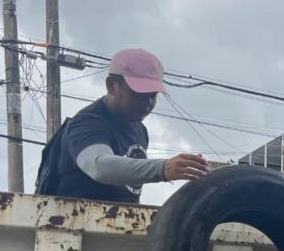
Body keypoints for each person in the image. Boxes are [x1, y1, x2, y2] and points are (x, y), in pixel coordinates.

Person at [37, 48, 209, 203]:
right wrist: (162, 168)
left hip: (120, 222)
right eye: (139, 93)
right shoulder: (87, 122)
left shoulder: (140, 130)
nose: (148, 102)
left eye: (153, 95)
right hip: (74, 222)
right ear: (111, 86)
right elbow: (99, 166)